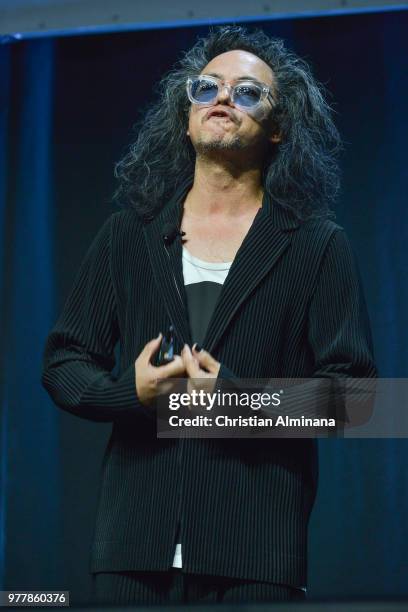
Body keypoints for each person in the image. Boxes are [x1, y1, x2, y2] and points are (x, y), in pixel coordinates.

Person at [41, 25, 377, 605]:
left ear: (278, 128)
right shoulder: (131, 234)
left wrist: (233, 402)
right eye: (207, 87)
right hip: (131, 551)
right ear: (187, 113)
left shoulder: (316, 244)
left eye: (248, 92)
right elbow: (64, 362)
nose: (222, 98)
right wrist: (133, 394)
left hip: (255, 553)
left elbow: (359, 399)